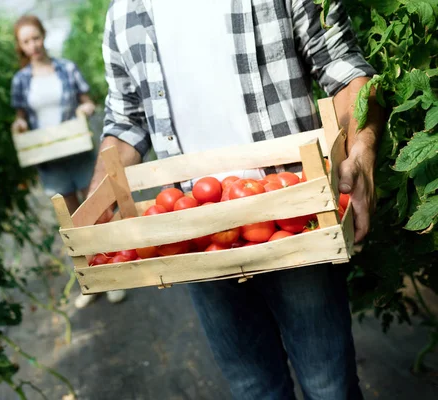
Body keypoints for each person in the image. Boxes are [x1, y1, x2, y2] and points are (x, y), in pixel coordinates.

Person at [89, 1, 384, 399]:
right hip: (197, 235)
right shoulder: (124, 14)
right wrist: (96, 194)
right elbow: (125, 119)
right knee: (253, 388)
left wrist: (361, 148)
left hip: (293, 220)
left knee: (329, 385)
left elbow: (345, 68)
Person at [10, 15, 126, 309]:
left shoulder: (66, 68)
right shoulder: (21, 81)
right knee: (72, 222)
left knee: (97, 212)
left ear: (43, 36)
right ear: (21, 47)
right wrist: (19, 126)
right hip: (49, 159)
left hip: (78, 151)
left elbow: (87, 101)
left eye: (36, 38)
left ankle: (114, 275)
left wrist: (85, 109)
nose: (33, 45)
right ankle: (92, 280)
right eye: (26, 41)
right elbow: (21, 117)